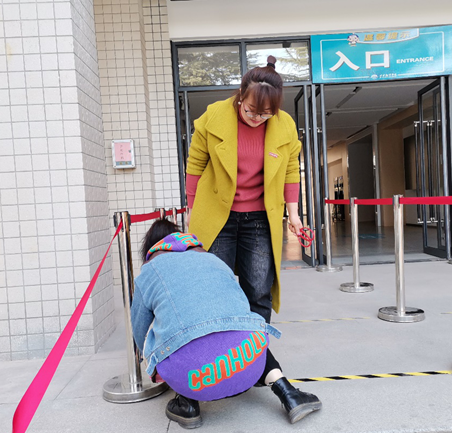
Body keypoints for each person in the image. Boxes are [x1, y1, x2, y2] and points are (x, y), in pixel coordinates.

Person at [185, 55, 322, 424]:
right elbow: (195, 165)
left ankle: (247, 363)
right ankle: (195, 378)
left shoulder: (284, 125)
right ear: (240, 96)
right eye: (250, 111)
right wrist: (193, 216)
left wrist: (294, 215)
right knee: (210, 292)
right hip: (218, 215)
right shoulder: (213, 117)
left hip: (260, 218)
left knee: (258, 293)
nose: (256, 118)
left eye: (265, 115)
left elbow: (291, 169)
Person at [131, 219, 282, 429]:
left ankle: (187, 405)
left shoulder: (150, 270)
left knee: (167, 329)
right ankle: (286, 391)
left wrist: (148, 358)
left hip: (195, 378)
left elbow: (139, 329)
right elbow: (241, 305)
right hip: (250, 365)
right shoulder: (213, 259)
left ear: (151, 247)